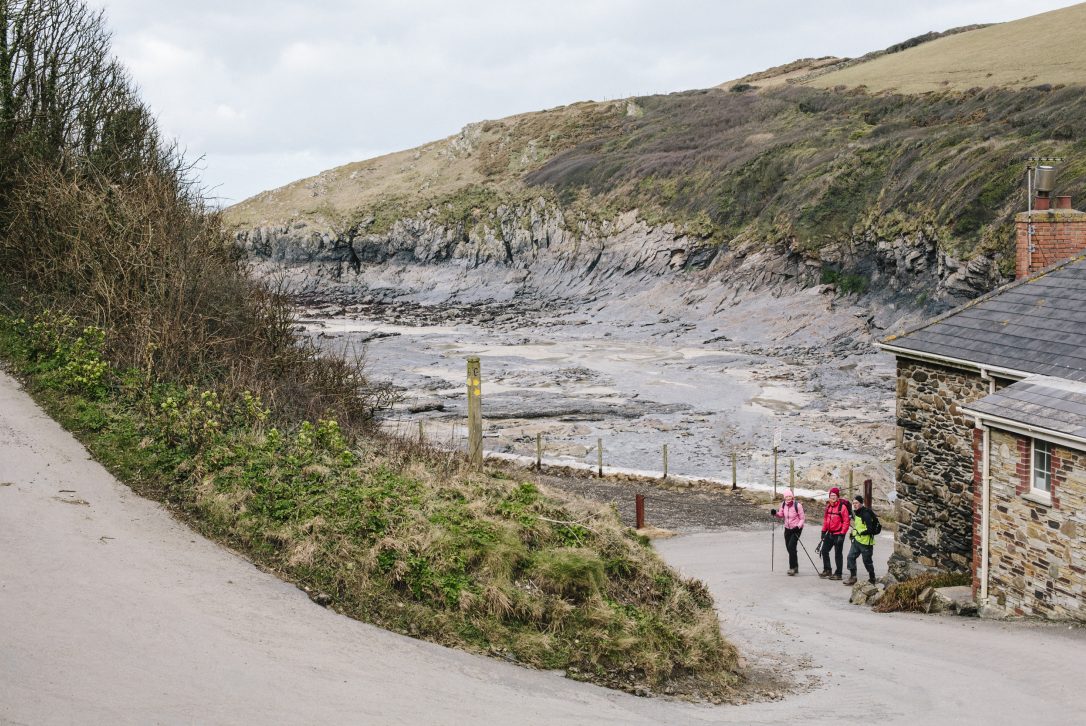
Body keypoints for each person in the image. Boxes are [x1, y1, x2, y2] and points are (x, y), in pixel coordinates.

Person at [844, 494, 878, 586]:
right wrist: (853, 533)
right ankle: (853, 577)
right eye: (853, 503)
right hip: (857, 540)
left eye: (856, 503)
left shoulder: (866, 513)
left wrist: (860, 533)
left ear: (861, 503)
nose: (854, 505)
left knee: (867, 561)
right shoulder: (856, 512)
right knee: (850, 557)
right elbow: (858, 526)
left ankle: (872, 578)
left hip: (866, 542)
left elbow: (870, 529)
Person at [770, 489, 805, 575]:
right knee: (789, 548)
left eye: (790, 496)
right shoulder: (783, 505)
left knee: (791, 546)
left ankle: (792, 568)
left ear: (792, 497)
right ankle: (796, 566)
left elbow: (802, 519)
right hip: (787, 529)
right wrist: (775, 513)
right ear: (784, 498)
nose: (788, 498)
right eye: (786, 497)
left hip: (796, 529)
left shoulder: (798, 505)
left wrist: (798, 527)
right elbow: (781, 515)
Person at [819, 486, 850, 580]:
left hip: (839, 534)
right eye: (831, 495)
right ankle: (827, 570)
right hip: (830, 533)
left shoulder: (842, 507)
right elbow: (825, 520)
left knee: (838, 554)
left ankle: (838, 574)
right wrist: (823, 531)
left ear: (837, 496)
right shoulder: (828, 506)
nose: (832, 497)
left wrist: (842, 534)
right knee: (824, 551)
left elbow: (846, 521)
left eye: (834, 495)